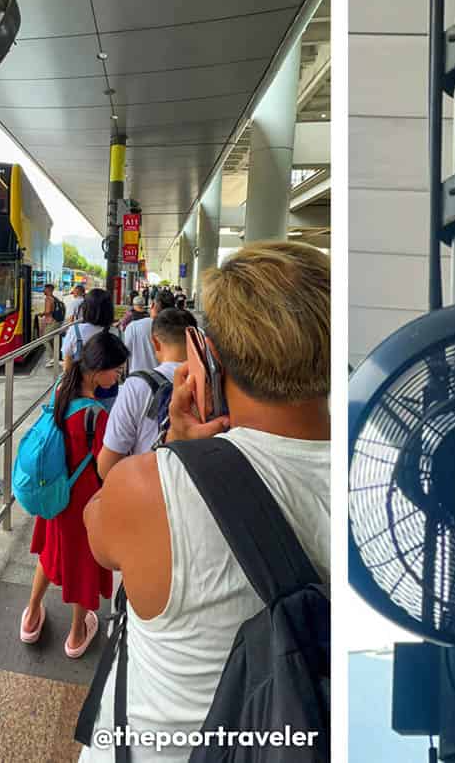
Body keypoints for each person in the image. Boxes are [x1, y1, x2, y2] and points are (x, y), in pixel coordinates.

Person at [80, 241, 330, 759]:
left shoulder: (151, 486)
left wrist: (176, 450)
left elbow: (95, 528)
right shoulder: (380, 483)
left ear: (208, 358)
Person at [21, 331, 129, 658]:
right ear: (98, 371)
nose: (118, 377)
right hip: (82, 502)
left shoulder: (60, 392)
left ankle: (30, 617)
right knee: (84, 564)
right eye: (117, 371)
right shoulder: (96, 414)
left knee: (50, 554)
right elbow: (106, 466)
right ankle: (77, 633)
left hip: (54, 495)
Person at [98, 308, 197, 475]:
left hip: (150, 487)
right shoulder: (211, 382)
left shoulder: (137, 386)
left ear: (155, 343)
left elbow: (107, 467)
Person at [122, 289, 175, 374]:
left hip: (138, 382)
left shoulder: (133, 327)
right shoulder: (177, 330)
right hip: (167, 382)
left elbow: (124, 354)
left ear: (153, 304)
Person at [41, 283, 59, 368]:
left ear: (48, 290)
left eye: (44, 289)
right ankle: (56, 357)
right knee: (51, 340)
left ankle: (53, 358)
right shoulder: (55, 298)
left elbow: (48, 311)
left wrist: (40, 314)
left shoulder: (48, 299)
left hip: (52, 321)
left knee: (44, 339)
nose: (43, 290)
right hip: (56, 321)